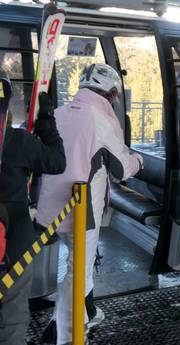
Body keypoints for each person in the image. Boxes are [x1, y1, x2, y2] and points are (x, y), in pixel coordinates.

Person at [36, 63, 143, 345]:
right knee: (78, 269)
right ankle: (61, 332)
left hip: (50, 209)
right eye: (115, 95)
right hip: (83, 212)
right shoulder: (102, 121)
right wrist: (139, 160)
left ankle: (89, 311)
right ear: (110, 93)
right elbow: (122, 169)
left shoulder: (59, 113)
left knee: (80, 261)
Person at [0, 68, 66, 345]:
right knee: (12, 314)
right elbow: (56, 163)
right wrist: (47, 128)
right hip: (13, 241)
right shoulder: (17, 142)